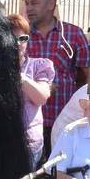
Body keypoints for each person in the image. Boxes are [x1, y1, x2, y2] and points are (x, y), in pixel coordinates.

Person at [23, 0, 90, 151]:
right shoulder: (21, 36)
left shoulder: (73, 34)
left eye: (34, 3)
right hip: (27, 121)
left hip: (63, 120)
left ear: (51, 4)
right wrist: (40, 88)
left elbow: (88, 76)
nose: (29, 8)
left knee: (61, 165)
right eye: (27, 3)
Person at [20, 33, 56, 163]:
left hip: (27, 144)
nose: (18, 43)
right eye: (12, 37)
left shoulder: (38, 65)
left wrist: (18, 76)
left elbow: (41, 98)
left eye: (22, 38)